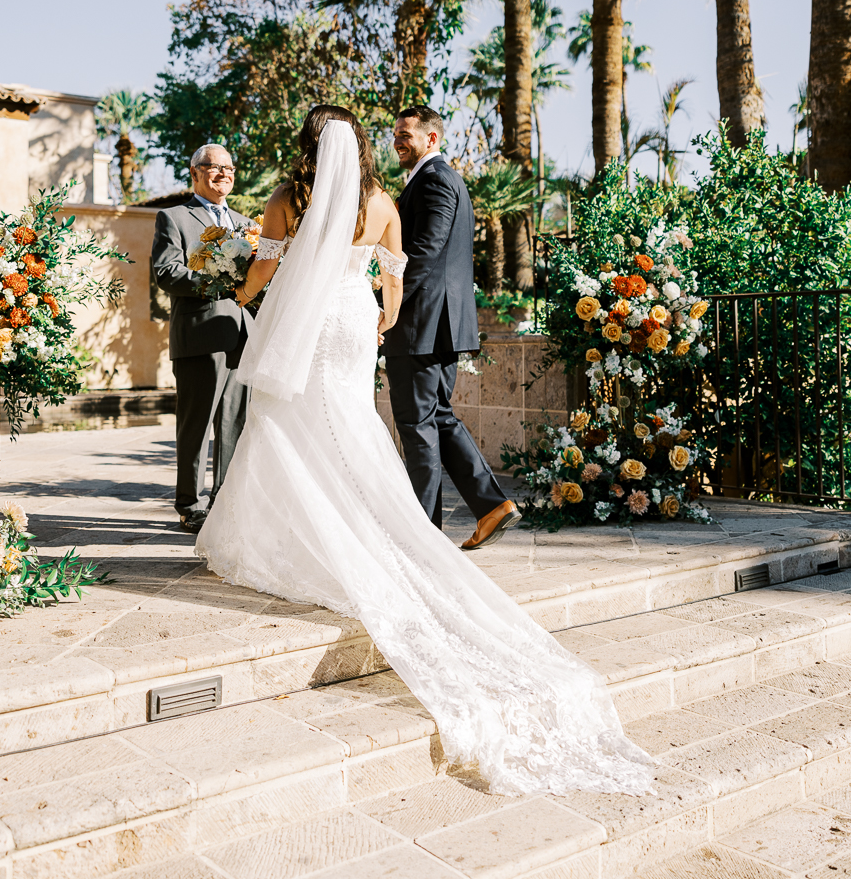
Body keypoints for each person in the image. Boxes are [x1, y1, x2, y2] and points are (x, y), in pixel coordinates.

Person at [195, 106, 653, 798]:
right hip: (352, 321)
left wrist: (239, 292)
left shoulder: (292, 196)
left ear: (308, 145)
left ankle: (308, 535)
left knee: (288, 427)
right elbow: (395, 276)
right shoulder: (379, 200)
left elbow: (263, 263)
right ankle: (385, 523)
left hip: (308, 322)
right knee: (348, 425)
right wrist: (378, 317)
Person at [384, 105, 518, 544]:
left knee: (417, 425)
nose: (398, 140)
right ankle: (491, 505)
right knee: (435, 417)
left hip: (422, 322)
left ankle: (423, 536)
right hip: (434, 324)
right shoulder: (429, 179)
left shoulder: (436, 178)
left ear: (432, 139)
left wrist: (383, 303)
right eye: (396, 134)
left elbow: (424, 253)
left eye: (406, 134)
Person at [151, 144, 251, 533]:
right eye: (214, 167)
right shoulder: (174, 217)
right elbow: (166, 272)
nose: (223, 173)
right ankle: (190, 505)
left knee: (234, 427)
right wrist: (218, 282)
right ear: (195, 172)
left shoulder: (246, 224)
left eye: (229, 167)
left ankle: (223, 501)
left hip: (241, 338)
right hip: (199, 337)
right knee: (196, 428)